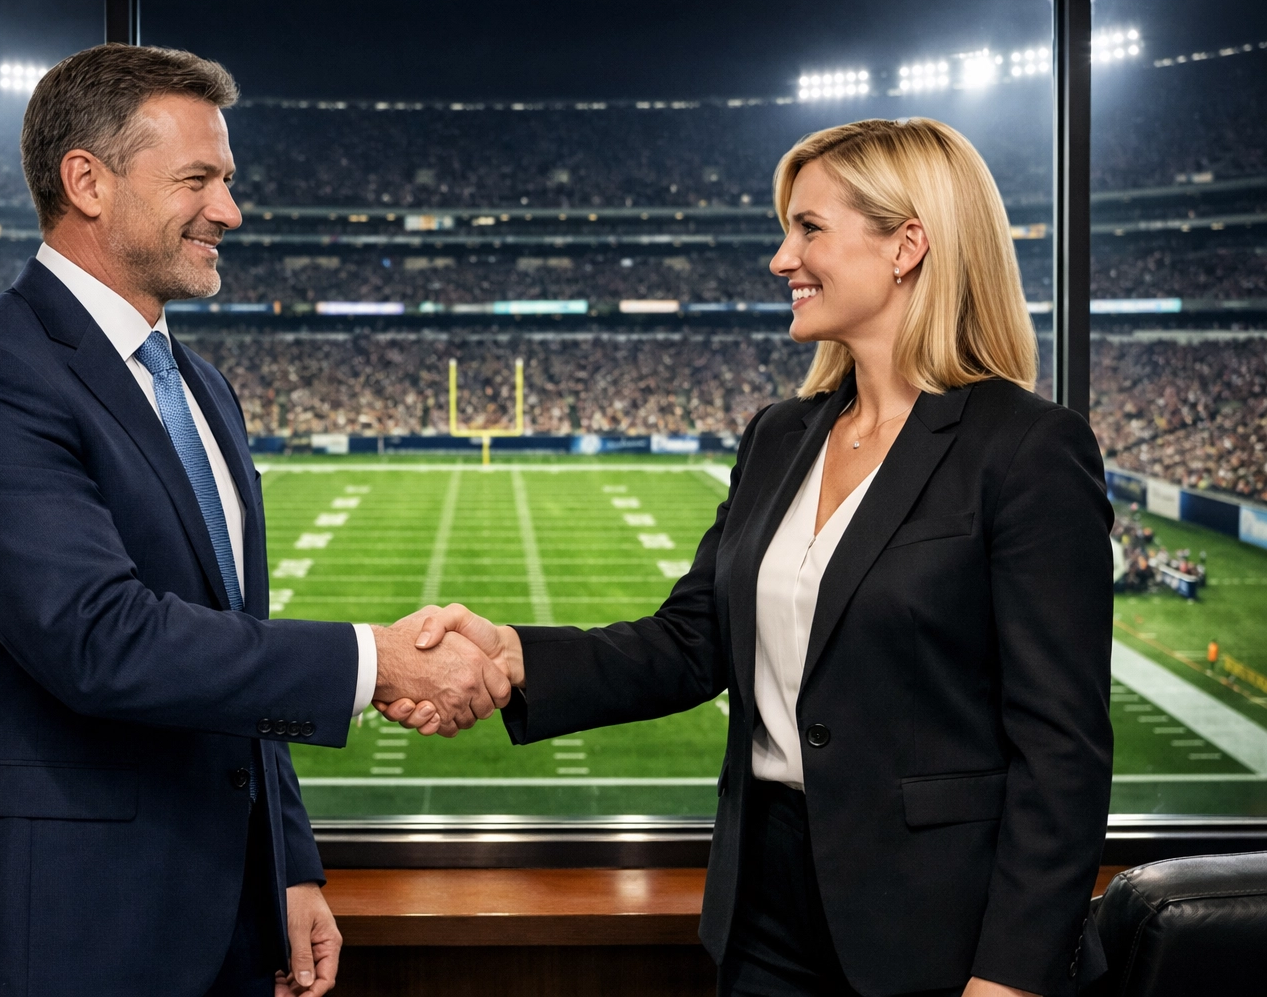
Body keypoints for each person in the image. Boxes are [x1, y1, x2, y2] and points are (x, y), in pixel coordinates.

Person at [391, 118, 1114, 996]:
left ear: (907, 245)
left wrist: (1012, 977)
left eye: (809, 229)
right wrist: (512, 656)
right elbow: (694, 640)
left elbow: (1062, 750)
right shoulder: (782, 436)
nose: (781, 259)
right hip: (765, 901)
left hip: (937, 920)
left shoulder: (1026, 447)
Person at [0, 44, 507, 997]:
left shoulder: (198, 386)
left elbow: (233, 643)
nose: (230, 209)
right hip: (58, 929)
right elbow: (99, 640)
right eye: (199, 179)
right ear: (86, 182)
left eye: (229, 179)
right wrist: (378, 662)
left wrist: (290, 863)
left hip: (221, 912)